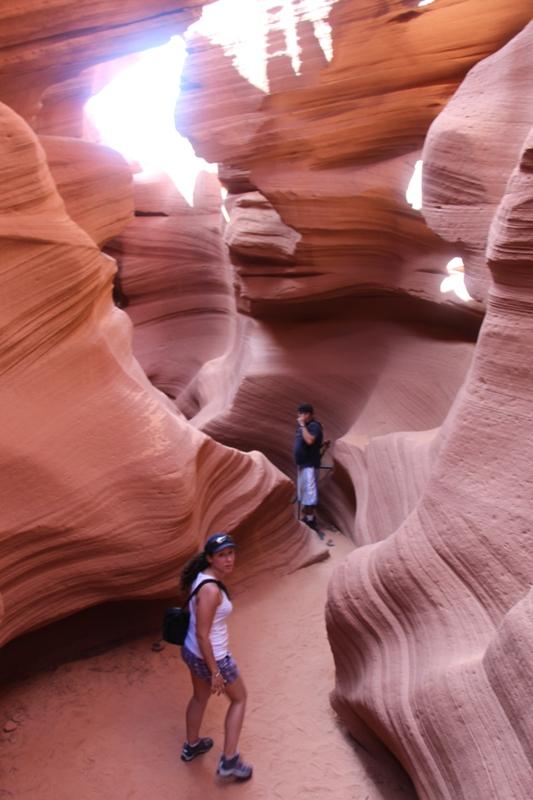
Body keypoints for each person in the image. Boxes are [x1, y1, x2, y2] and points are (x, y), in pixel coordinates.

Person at [179, 532, 253, 782]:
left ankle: (192, 745)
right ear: (210, 558)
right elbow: (203, 635)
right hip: (213, 657)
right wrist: (215, 672)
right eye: (222, 555)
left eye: (231, 553)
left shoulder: (201, 578)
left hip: (191, 651)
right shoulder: (211, 590)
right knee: (240, 699)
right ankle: (229, 760)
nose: (229, 559)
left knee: (199, 698)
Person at [293, 402, 323, 532]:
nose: (299, 416)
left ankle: (311, 520)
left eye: (302, 414)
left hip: (309, 465)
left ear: (309, 414)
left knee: (310, 493)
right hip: (303, 465)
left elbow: (310, 440)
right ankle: (307, 517)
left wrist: (302, 425)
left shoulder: (314, 426)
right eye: (299, 413)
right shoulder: (305, 427)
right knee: (304, 493)